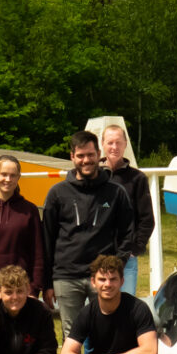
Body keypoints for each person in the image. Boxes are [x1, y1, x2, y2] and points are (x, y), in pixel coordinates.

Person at [43, 130, 134, 339]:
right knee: (71, 335)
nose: (86, 160)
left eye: (90, 155)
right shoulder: (57, 193)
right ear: (72, 157)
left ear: (98, 154)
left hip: (103, 277)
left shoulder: (116, 192)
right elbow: (47, 239)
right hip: (66, 276)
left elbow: (127, 233)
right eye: (81, 156)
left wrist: (115, 268)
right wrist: (47, 283)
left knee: (105, 333)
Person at [0, 155, 44, 328]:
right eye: (4, 174)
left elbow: (38, 252)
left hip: (19, 290)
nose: (8, 179)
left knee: (16, 344)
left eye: (13, 175)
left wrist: (34, 289)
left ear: (19, 177)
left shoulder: (30, 211)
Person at [100, 124, 154, 296]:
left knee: (125, 308)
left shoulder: (137, 178)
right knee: (95, 310)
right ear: (102, 144)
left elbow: (147, 218)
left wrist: (135, 248)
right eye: (110, 142)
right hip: (96, 256)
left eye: (118, 142)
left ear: (125, 144)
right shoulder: (93, 175)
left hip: (126, 259)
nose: (114, 147)